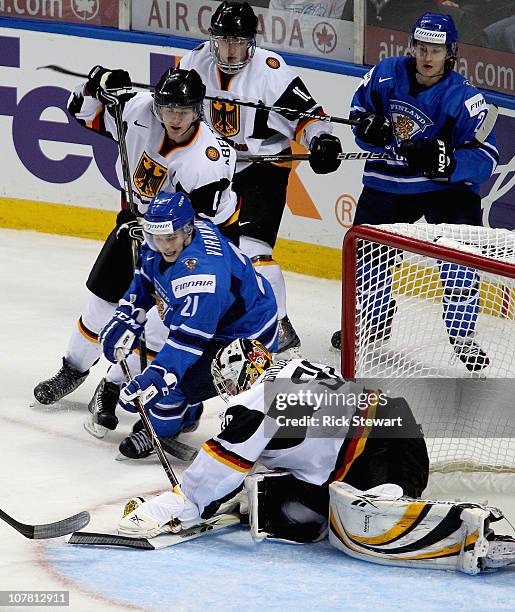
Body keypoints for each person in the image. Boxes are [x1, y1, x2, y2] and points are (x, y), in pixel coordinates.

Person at [116, 339, 515, 574]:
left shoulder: (256, 400)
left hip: (377, 445)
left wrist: (178, 503)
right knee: (291, 512)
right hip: (385, 431)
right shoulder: (292, 369)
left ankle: (482, 532)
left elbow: (225, 457)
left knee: (365, 526)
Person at [34, 67, 240, 414]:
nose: (174, 118)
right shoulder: (136, 108)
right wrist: (94, 84)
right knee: (102, 305)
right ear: (157, 104)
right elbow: (81, 112)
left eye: (184, 111)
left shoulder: (208, 161)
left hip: (186, 240)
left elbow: (206, 227)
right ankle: (72, 370)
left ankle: (118, 387)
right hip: (135, 222)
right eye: (168, 109)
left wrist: (172, 249)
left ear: (198, 111)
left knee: (160, 324)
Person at [118, 337, 429, 543]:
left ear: (236, 377)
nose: (228, 392)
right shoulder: (298, 366)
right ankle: (396, 498)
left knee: (376, 525)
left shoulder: (254, 400)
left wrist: (170, 507)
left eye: (226, 384)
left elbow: (220, 464)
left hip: (369, 452)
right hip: (397, 429)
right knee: (279, 511)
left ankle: (416, 512)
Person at [330, 12, 499, 374]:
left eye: (435, 50)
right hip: (389, 181)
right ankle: (371, 322)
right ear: (411, 46)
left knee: (461, 258)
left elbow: (486, 158)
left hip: (446, 191)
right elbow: (359, 112)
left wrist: (447, 161)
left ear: (450, 53)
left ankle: (463, 335)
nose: (426, 56)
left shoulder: (465, 99)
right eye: (421, 47)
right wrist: (368, 129)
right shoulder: (385, 74)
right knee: (367, 259)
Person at [179, 1, 343, 352]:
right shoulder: (193, 62)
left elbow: (309, 116)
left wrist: (322, 140)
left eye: (238, 42)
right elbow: (169, 106)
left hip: (263, 166)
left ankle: (280, 327)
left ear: (250, 42)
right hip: (214, 168)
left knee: (252, 251)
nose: (231, 49)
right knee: (196, 246)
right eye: (224, 41)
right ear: (213, 39)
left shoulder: (272, 72)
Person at [98, 193, 278, 458]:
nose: (164, 246)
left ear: (187, 230)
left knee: (168, 390)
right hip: (222, 320)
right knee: (169, 388)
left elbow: (187, 344)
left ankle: (160, 431)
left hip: (247, 338)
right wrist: (129, 312)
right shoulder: (172, 234)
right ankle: (186, 411)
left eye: (170, 238)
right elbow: (148, 276)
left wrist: (157, 378)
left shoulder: (203, 278)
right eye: (158, 238)